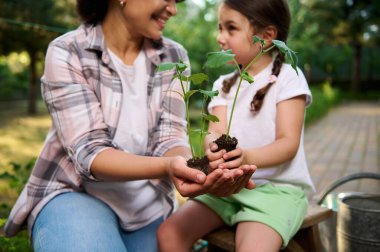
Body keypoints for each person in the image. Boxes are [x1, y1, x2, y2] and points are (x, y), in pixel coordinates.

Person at [4, 0, 255, 251]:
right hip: (75, 194)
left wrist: (193, 168)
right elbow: (90, 152)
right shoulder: (68, 51)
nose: (173, 10)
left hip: (147, 208)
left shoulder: (174, 57)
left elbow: (169, 137)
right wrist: (168, 166)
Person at [157, 0, 315, 251]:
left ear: (266, 36)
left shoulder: (287, 78)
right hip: (227, 188)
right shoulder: (223, 84)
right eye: (219, 28)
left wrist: (246, 157)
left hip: (276, 191)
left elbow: (288, 144)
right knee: (169, 233)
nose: (220, 37)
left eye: (231, 28)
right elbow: (216, 132)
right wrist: (212, 147)